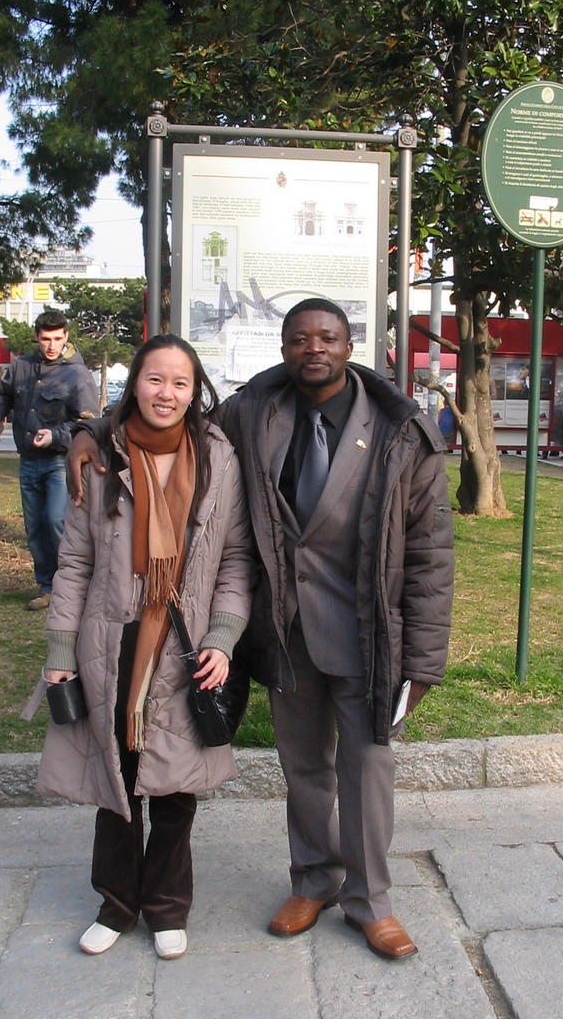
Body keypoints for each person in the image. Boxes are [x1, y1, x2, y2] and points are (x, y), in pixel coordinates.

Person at [68, 298, 454, 961]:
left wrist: (424, 661)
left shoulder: (400, 432)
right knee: (304, 767)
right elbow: (165, 412)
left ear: (349, 344)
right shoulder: (252, 414)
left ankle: (371, 903)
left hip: (367, 635)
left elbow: (430, 556)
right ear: (283, 348)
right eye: (299, 339)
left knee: (367, 769)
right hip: (284, 631)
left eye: (327, 337)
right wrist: (90, 428)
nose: (314, 349)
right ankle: (313, 881)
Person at [30, 334, 251, 962]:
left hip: (187, 641)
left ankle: (166, 906)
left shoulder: (217, 455)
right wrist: (60, 648)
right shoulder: (100, 454)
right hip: (114, 636)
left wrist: (224, 637)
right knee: (116, 775)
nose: (167, 394)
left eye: (181, 383)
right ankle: (116, 904)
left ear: (195, 390)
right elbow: (73, 561)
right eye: (155, 380)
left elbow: (236, 559)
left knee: (177, 783)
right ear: (135, 384)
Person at [0, 309, 100, 610]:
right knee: (35, 527)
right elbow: (1, 395)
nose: (52, 345)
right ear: (37, 337)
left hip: (61, 461)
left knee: (55, 521)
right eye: (46, 339)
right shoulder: (21, 366)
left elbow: (90, 424)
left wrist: (55, 436)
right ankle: (46, 586)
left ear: (66, 337)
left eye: (58, 338)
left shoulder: (78, 374)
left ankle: (71, 586)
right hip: (28, 460)